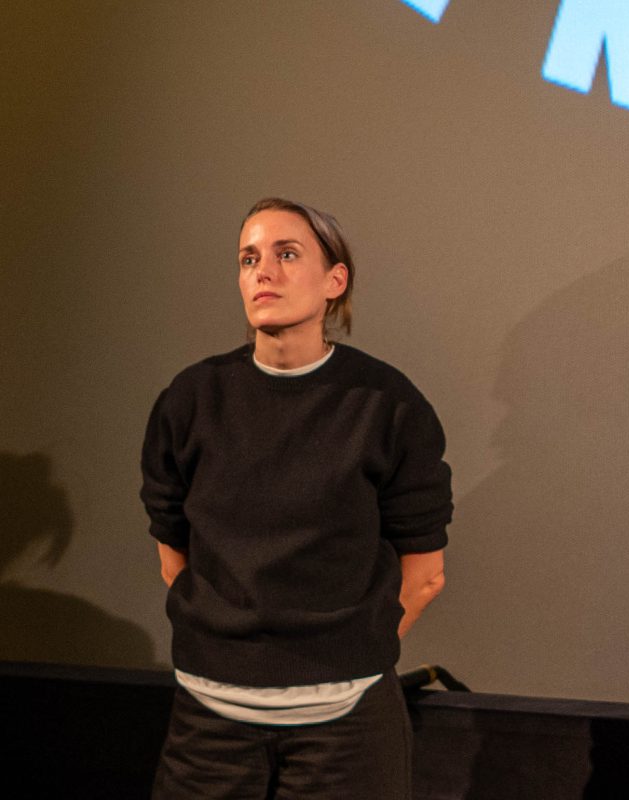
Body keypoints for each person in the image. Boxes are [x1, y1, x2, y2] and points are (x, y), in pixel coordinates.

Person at [141, 197, 453, 798]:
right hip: (207, 726)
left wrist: (345, 657)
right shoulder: (191, 400)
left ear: (335, 281)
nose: (263, 271)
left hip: (347, 728)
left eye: (287, 254)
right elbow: (173, 551)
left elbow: (425, 575)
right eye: (248, 258)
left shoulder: (387, 405)